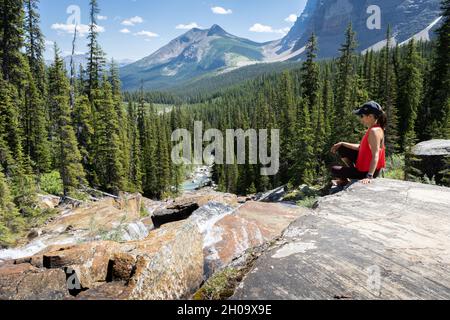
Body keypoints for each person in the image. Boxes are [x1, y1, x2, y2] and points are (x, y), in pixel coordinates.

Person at [330, 101, 387, 186]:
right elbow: (361, 147)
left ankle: (350, 177)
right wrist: (342, 143)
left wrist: (369, 176)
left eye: (362, 116)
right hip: (365, 165)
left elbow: (376, 154)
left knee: (334, 169)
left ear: (370, 116)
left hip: (366, 171)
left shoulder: (374, 132)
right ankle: (353, 172)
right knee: (341, 148)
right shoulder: (375, 128)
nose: (361, 118)